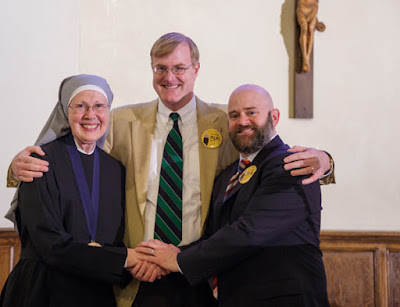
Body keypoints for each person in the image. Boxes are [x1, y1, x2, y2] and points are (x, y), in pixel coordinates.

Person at [7, 33, 334, 307]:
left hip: (201, 275)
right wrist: (15, 167)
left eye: (179, 67)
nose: (169, 77)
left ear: (196, 69)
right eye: (160, 68)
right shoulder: (119, 121)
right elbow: (74, 152)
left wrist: (326, 161)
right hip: (136, 275)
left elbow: (266, 155)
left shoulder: (228, 120)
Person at [137, 84, 330, 306]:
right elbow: (214, 235)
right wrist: (162, 256)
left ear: (274, 117)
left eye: (251, 112)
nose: (243, 121)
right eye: (234, 115)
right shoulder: (228, 175)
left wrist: (178, 260)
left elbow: (250, 233)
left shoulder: (293, 164)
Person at [0, 75, 143, 307]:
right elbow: (47, 242)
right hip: (43, 289)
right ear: (65, 111)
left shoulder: (115, 169)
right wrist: (125, 259)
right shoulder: (38, 162)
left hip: (96, 290)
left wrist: (136, 265)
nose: (90, 115)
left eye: (99, 106)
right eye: (80, 106)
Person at [296, 0, 326, 73]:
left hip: (313, 7)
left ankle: (307, 59)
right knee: (304, 29)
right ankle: (305, 58)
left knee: (311, 30)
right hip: (302, 6)